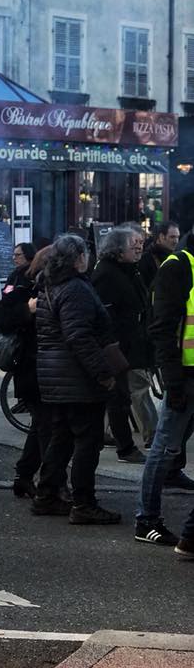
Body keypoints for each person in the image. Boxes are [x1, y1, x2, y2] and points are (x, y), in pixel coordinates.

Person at [33, 233, 121, 524]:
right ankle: (83, 503)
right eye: (86, 254)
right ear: (79, 258)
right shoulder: (74, 289)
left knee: (62, 437)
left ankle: (47, 495)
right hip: (76, 378)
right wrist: (103, 373)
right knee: (87, 440)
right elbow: (79, 337)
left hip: (55, 375)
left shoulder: (50, 283)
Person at [135, 221, 194, 549]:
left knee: (167, 447)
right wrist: (173, 381)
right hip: (184, 378)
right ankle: (146, 520)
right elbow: (161, 329)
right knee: (163, 449)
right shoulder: (179, 266)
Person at [0, 246, 56, 499]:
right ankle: (49, 486)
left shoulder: (58, 285)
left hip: (46, 369)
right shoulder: (23, 283)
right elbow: (0, 317)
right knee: (47, 427)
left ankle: (24, 477)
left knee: (42, 425)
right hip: (31, 369)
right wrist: (26, 311)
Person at [91, 227, 149, 463]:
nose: (137, 247)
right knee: (118, 399)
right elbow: (104, 316)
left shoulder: (128, 270)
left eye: (139, 242)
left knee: (118, 398)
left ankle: (106, 439)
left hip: (126, 346)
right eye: (132, 244)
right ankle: (125, 448)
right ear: (117, 249)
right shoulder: (107, 274)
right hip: (114, 348)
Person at [138, 221, 180, 290]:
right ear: (161, 237)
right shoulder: (146, 259)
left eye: (177, 237)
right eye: (172, 237)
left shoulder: (176, 257)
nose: (176, 241)